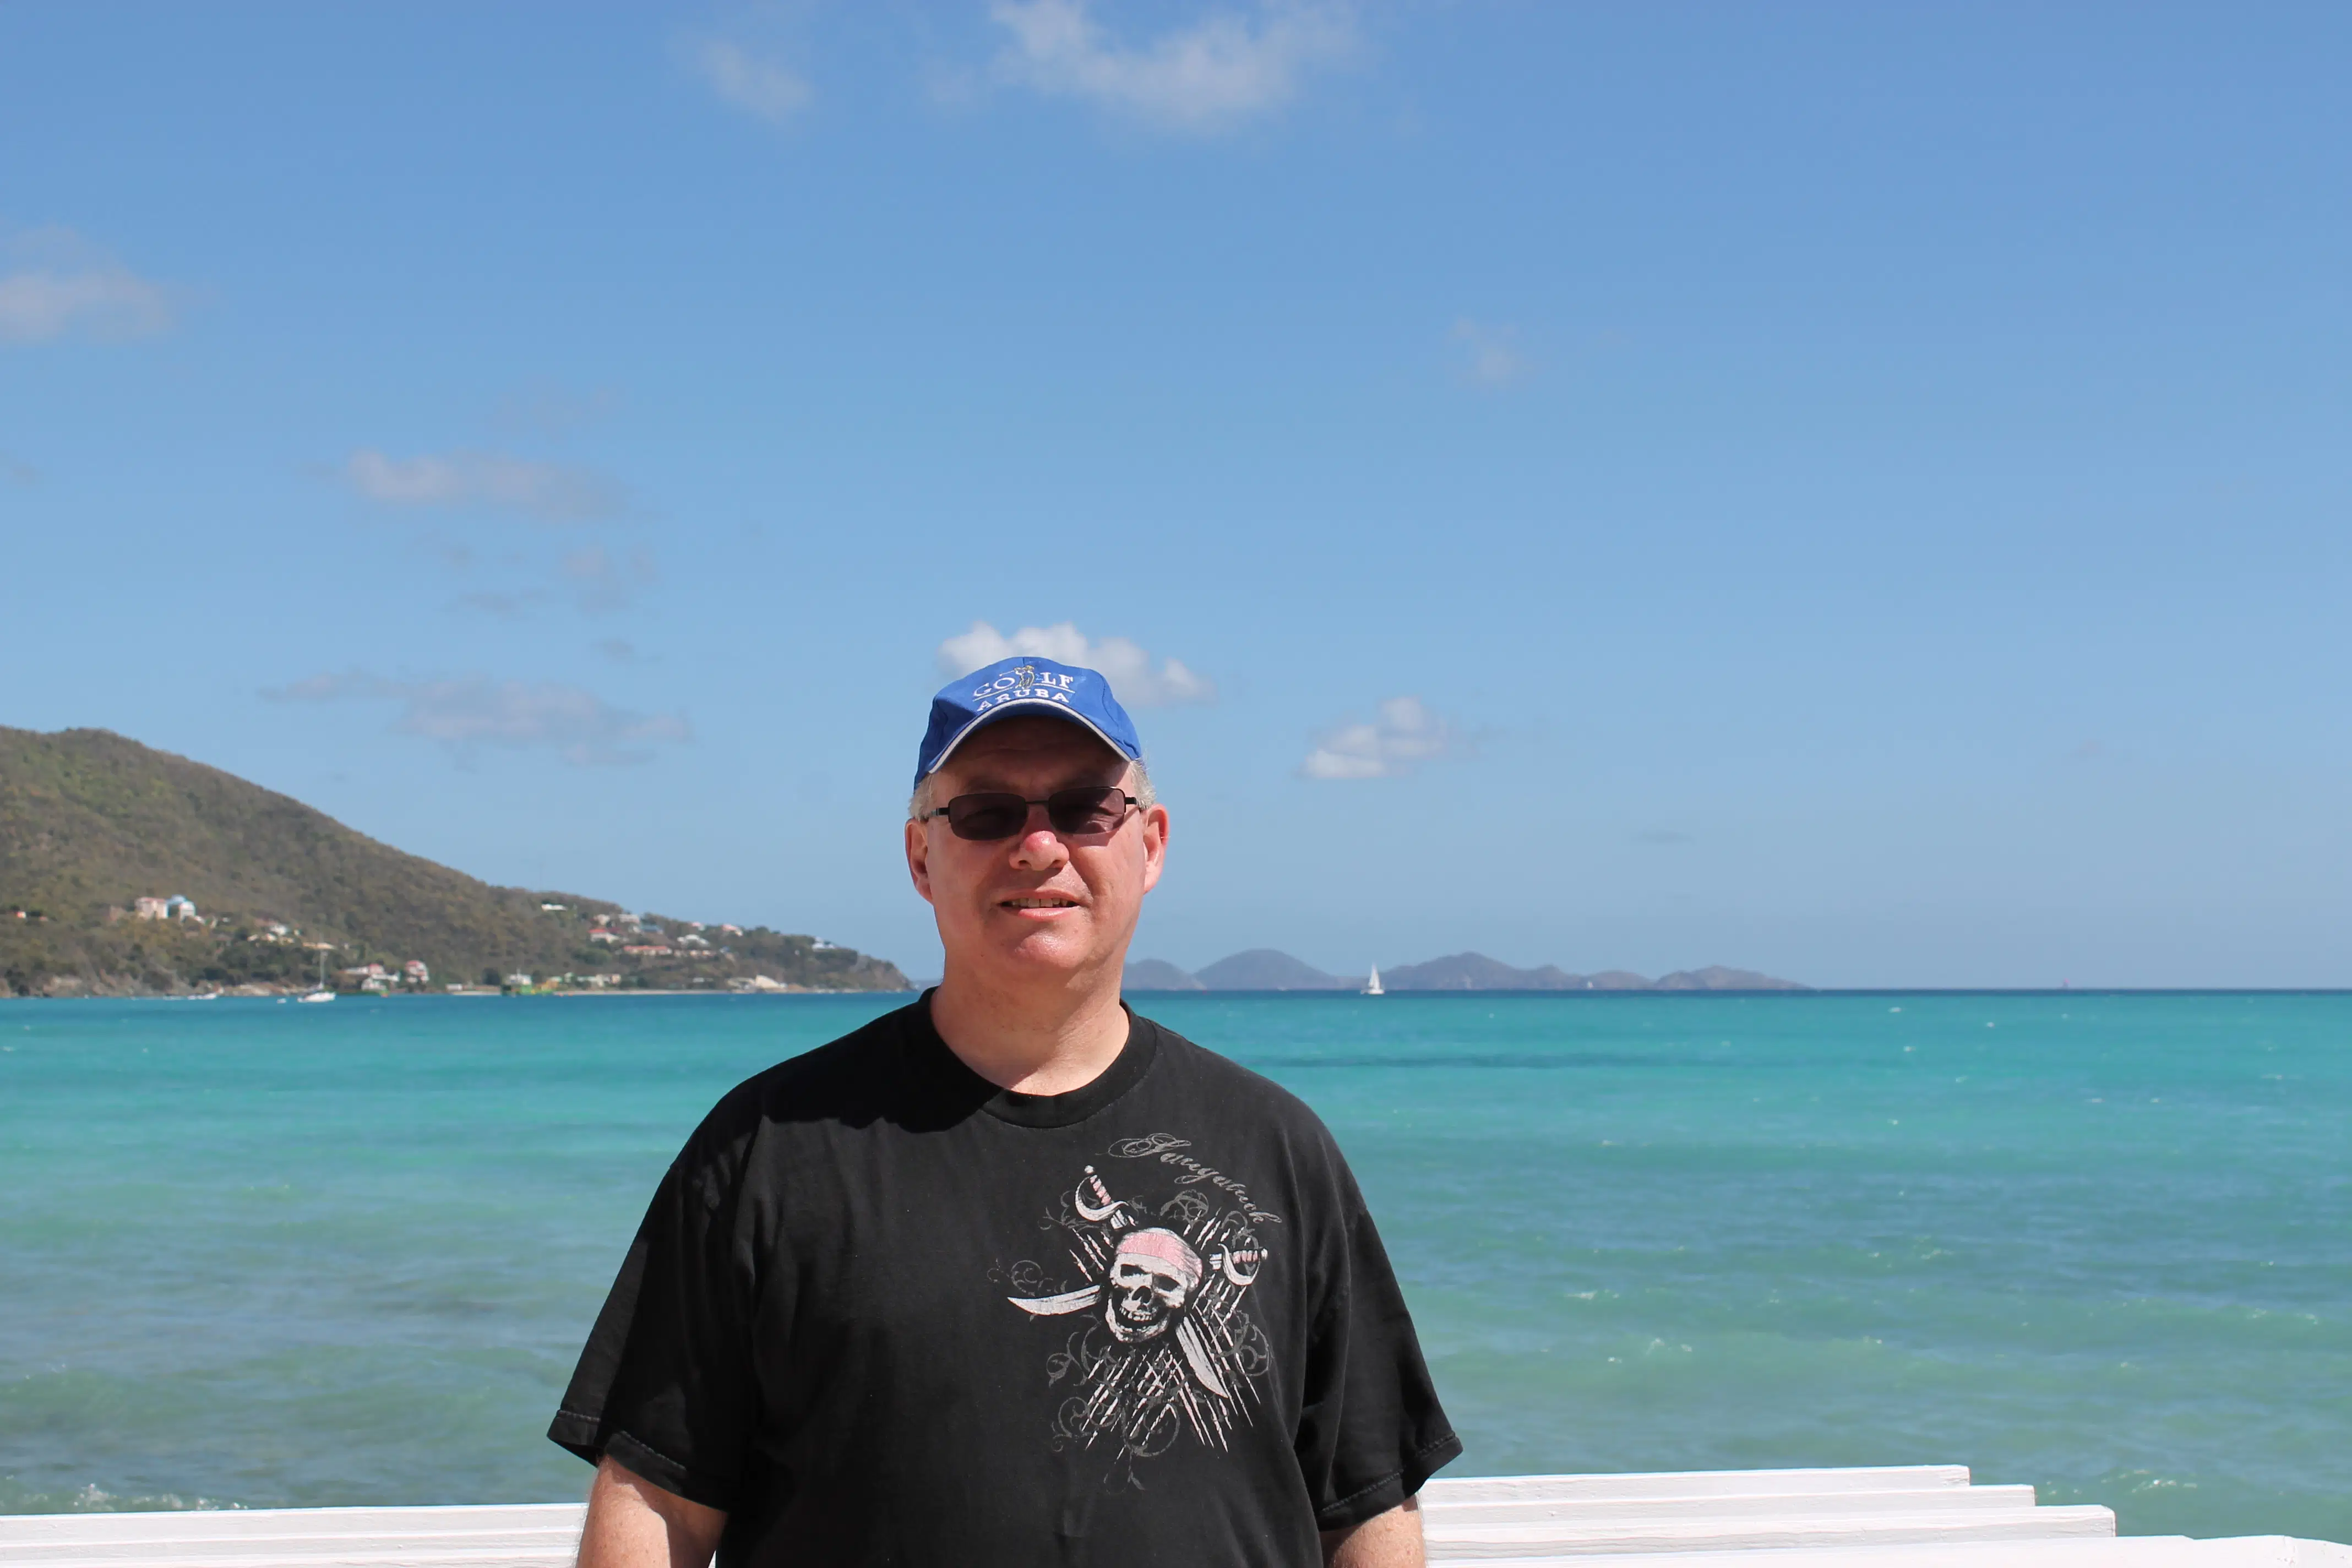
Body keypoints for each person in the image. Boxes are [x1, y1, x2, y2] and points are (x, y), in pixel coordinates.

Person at [552, 655, 1459, 1567]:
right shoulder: (766, 1150)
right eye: (986, 814)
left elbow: (1366, 1504)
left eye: (1083, 809)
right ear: (920, 856)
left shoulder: (1278, 1150)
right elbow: (657, 1502)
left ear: (1151, 845)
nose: (1038, 846)